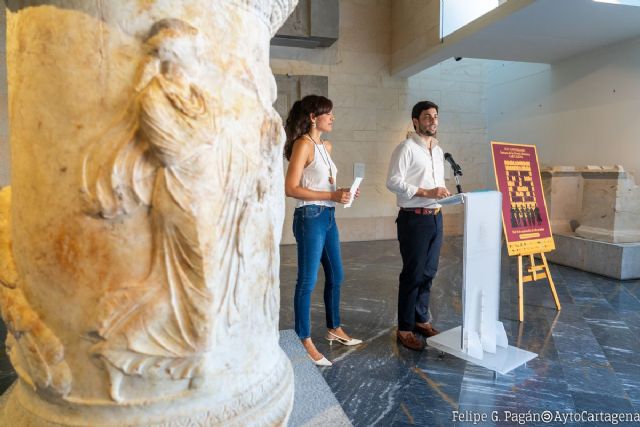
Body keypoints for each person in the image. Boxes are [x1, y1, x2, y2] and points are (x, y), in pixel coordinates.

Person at [284, 95, 362, 367]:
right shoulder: (302, 145)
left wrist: (343, 194)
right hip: (310, 216)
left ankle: (333, 327)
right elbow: (291, 188)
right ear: (312, 117)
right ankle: (303, 339)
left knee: (336, 274)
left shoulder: (325, 146)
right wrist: (331, 196)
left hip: (327, 216)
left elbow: (326, 185)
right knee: (307, 280)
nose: (332, 117)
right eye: (327, 113)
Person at [386, 100, 451, 351]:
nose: (433, 121)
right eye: (427, 117)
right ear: (415, 121)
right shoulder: (406, 148)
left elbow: (437, 182)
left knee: (430, 272)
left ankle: (421, 319)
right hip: (414, 218)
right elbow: (392, 181)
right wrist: (427, 191)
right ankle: (404, 328)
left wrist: (441, 194)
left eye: (435, 116)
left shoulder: (437, 150)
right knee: (413, 275)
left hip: (436, 217)